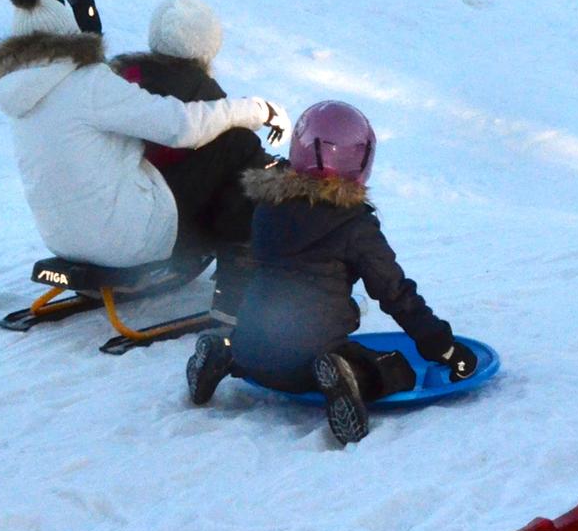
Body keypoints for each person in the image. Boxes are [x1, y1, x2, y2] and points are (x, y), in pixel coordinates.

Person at [185, 100, 472, 446]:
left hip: (252, 351)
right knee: (397, 369)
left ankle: (224, 352)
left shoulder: (266, 210)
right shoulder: (355, 225)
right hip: (305, 363)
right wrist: (441, 346)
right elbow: (395, 292)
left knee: (265, 338)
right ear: (361, 160)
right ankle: (344, 374)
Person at [0, 0, 283, 274]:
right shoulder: (89, 82)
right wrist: (256, 110)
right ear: (70, 36)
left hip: (60, 239)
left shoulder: (20, 94)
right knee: (234, 140)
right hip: (125, 240)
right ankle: (241, 261)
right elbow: (179, 125)